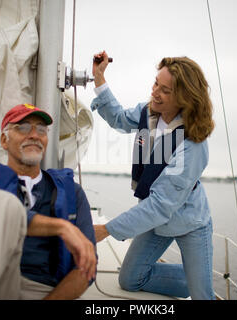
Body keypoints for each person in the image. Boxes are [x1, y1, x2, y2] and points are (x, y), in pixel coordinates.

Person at [91, 51, 215, 300]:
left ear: (184, 98)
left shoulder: (193, 144)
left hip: (190, 223)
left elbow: (161, 205)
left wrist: (106, 230)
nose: (155, 92)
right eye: (156, 83)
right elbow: (117, 117)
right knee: (129, 280)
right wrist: (99, 77)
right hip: (157, 220)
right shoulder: (148, 113)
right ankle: (193, 276)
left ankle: (199, 278)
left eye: (165, 90)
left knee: (202, 296)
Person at [0, 103, 97, 300]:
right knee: (0, 201)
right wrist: (61, 227)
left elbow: (86, 267)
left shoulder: (71, 192)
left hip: (43, 290)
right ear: (4, 140)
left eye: (41, 129)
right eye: (23, 127)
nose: (34, 134)